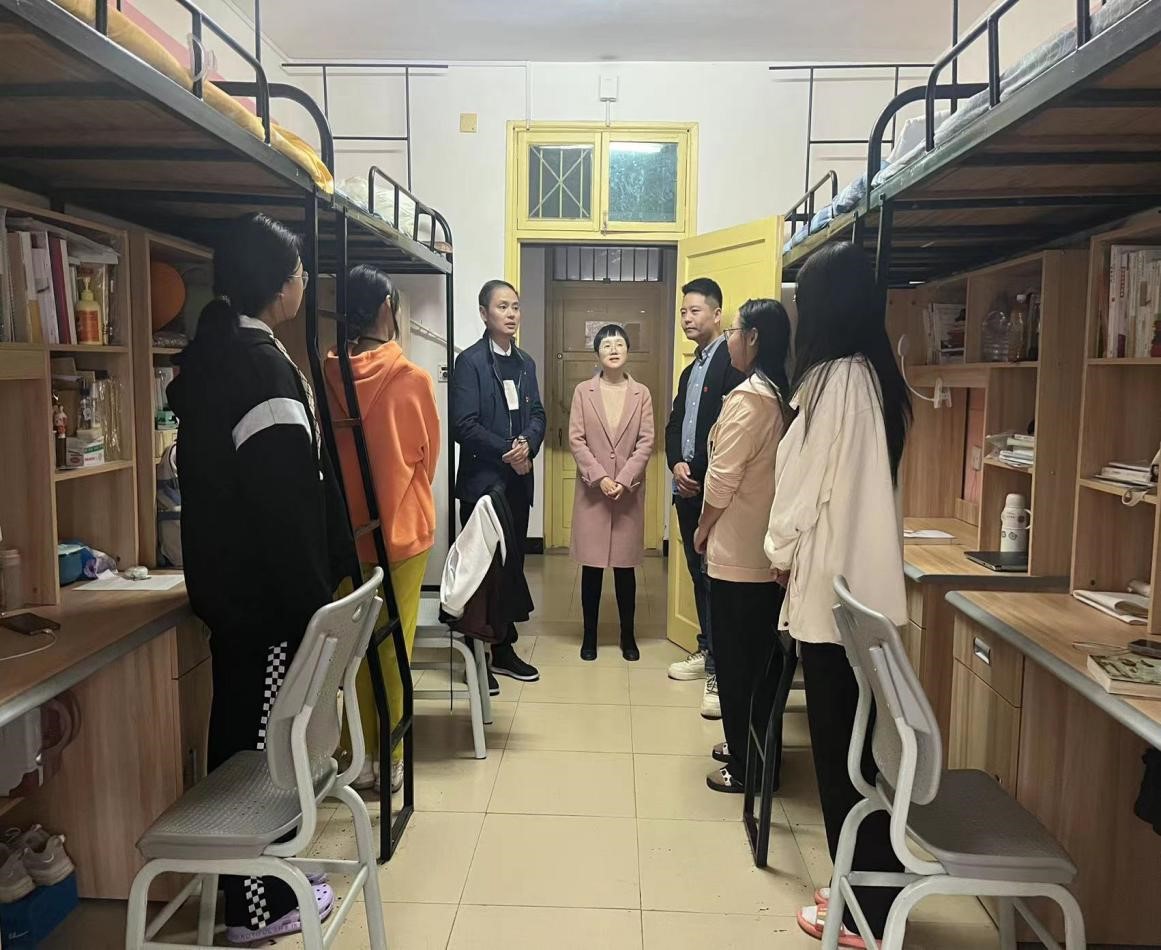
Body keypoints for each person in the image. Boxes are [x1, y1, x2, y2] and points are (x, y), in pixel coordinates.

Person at [168, 212, 352, 945]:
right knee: (260, 754)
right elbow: (285, 504)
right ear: (279, 285)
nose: (304, 282)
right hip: (263, 599)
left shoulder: (228, 352)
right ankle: (255, 906)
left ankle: (258, 880)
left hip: (235, 588)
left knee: (248, 735)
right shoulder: (258, 366)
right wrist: (311, 604)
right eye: (300, 271)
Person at [763, 242, 912, 947]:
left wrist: (777, 552)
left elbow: (801, 487)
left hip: (833, 601)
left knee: (842, 757)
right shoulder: (873, 375)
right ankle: (863, 883)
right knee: (861, 750)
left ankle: (863, 913)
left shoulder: (832, 381)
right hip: (858, 597)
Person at [324, 265, 439, 795]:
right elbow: (426, 460)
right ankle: (390, 757)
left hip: (346, 535)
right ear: (386, 308)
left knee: (350, 650)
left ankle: (356, 756)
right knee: (393, 648)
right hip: (402, 533)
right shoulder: (411, 378)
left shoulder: (327, 374)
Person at [693, 299, 791, 794]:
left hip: (738, 555)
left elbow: (721, 480)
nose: (729, 340)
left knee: (738, 666)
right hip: (761, 549)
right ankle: (749, 749)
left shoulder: (750, 399)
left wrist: (702, 528)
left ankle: (748, 768)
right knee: (754, 664)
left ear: (752, 338)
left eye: (734, 331)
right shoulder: (777, 393)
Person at [450, 279, 545, 689]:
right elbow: (463, 425)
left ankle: (503, 649)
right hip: (482, 486)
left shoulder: (525, 363)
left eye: (515, 306)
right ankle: (476, 657)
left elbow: (538, 414)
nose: (511, 314)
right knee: (480, 572)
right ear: (484, 313)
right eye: (502, 306)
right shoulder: (469, 362)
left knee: (511, 569)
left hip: (517, 485)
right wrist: (509, 449)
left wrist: (528, 445)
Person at [664, 277, 746, 719]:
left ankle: (720, 670)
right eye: (683, 312)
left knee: (717, 579)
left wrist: (699, 472)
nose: (687, 318)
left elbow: (732, 434)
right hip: (686, 490)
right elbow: (675, 424)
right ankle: (706, 649)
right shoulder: (690, 369)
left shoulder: (732, 365)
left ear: (717, 314)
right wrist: (676, 463)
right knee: (698, 575)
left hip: (715, 492)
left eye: (695, 311)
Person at [568, 323, 655, 662]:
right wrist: (601, 476)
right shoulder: (583, 392)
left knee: (625, 569)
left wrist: (624, 478)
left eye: (619, 343)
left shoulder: (641, 393)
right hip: (593, 493)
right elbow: (577, 440)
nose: (614, 349)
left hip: (627, 494)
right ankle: (589, 636)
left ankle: (627, 636)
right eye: (606, 345)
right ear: (597, 353)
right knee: (591, 570)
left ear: (628, 351)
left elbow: (646, 442)